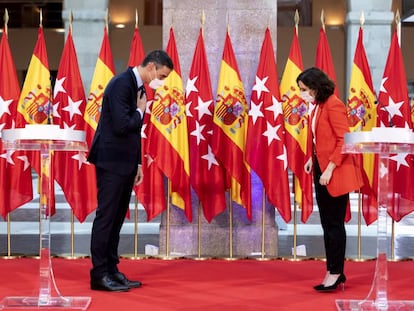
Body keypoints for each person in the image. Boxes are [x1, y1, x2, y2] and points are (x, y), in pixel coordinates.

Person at [88, 50, 173, 292]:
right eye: (162, 76)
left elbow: (136, 133)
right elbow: (123, 125)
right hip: (111, 161)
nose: (161, 81)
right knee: (106, 217)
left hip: (125, 162)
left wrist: (138, 163)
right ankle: (99, 274)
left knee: (117, 218)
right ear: (152, 67)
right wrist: (140, 111)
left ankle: (112, 270)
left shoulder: (139, 88)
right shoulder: (121, 84)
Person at [296, 67, 363, 292]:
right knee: (327, 224)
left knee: (334, 225)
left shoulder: (334, 105)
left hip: (334, 171)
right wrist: (311, 159)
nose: (301, 93)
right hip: (321, 169)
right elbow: (319, 139)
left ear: (315, 87)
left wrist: (330, 168)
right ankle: (332, 269)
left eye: (304, 89)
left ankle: (336, 273)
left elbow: (343, 140)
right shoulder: (317, 107)